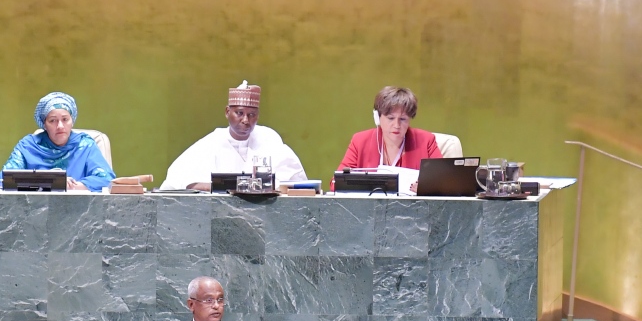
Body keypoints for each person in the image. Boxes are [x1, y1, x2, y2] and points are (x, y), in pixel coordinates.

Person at [160, 82, 307, 191]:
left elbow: (293, 183)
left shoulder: (268, 139)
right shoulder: (211, 142)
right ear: (227, 112)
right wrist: (232, 187)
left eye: (252, 115)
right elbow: (181, 181)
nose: (245, 120)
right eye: (239, 113)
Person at [0, 91, 115, 192]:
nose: (60, 126)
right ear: (44, 125)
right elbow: (2, 180)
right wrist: (52, 182)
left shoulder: (85, 145)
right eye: (52, 120)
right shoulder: (28, 146)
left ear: (72, 121)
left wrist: (70, 186)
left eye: (65, 119)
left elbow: (106, 180)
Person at [337, 86, 444, 171]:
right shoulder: (360, 141)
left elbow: (443, 180)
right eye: (390, 118)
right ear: (377, 117)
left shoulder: (426, 141)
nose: (396, 125)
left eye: (403, 119)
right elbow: (337, 182)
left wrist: (422, 188)